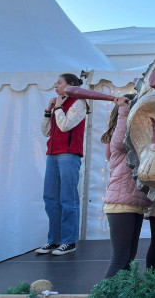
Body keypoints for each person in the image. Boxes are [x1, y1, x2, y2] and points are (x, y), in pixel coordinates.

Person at [36, 73, 89, 256]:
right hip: (52, 154)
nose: (55, 85)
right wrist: (48, 110)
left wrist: (58, 108)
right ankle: (54, 240)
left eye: (59, 82)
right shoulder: (59, 104)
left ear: (71, 85)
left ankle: (69, 241)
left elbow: (66, 125)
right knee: (50, 198)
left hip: (68, 155)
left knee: (68, 199)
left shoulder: (79, 103)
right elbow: (46, 131)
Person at [102, 95, 150, 278]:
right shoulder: (119, 135)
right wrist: (124, 110)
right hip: (120, 203)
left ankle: (121, 292)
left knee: (129, 257)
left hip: (133, 202)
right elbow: (121, 142)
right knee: (120, 258)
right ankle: (105, 293)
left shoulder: (135, 136)